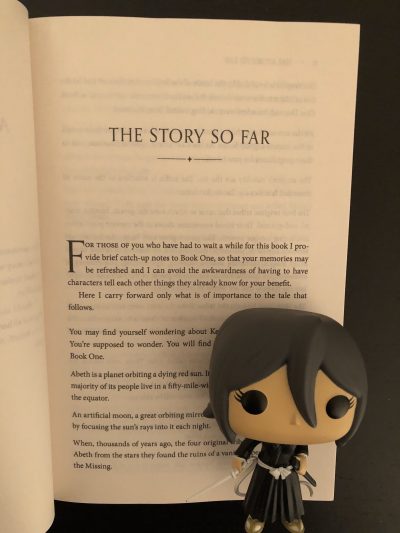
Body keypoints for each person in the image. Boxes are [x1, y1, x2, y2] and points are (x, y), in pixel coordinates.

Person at [204, 308, 367, 533]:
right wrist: (240, 457)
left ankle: (290, 518)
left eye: (335, 406)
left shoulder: (297, 439)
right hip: (264, 471)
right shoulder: (262, 434)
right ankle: (257, 517)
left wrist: (302, 460)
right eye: (253, 401)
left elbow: (302, 449)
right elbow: (250, 443)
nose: (295, 420)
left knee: (290, 499)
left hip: (288, 473)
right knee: (259, 497)